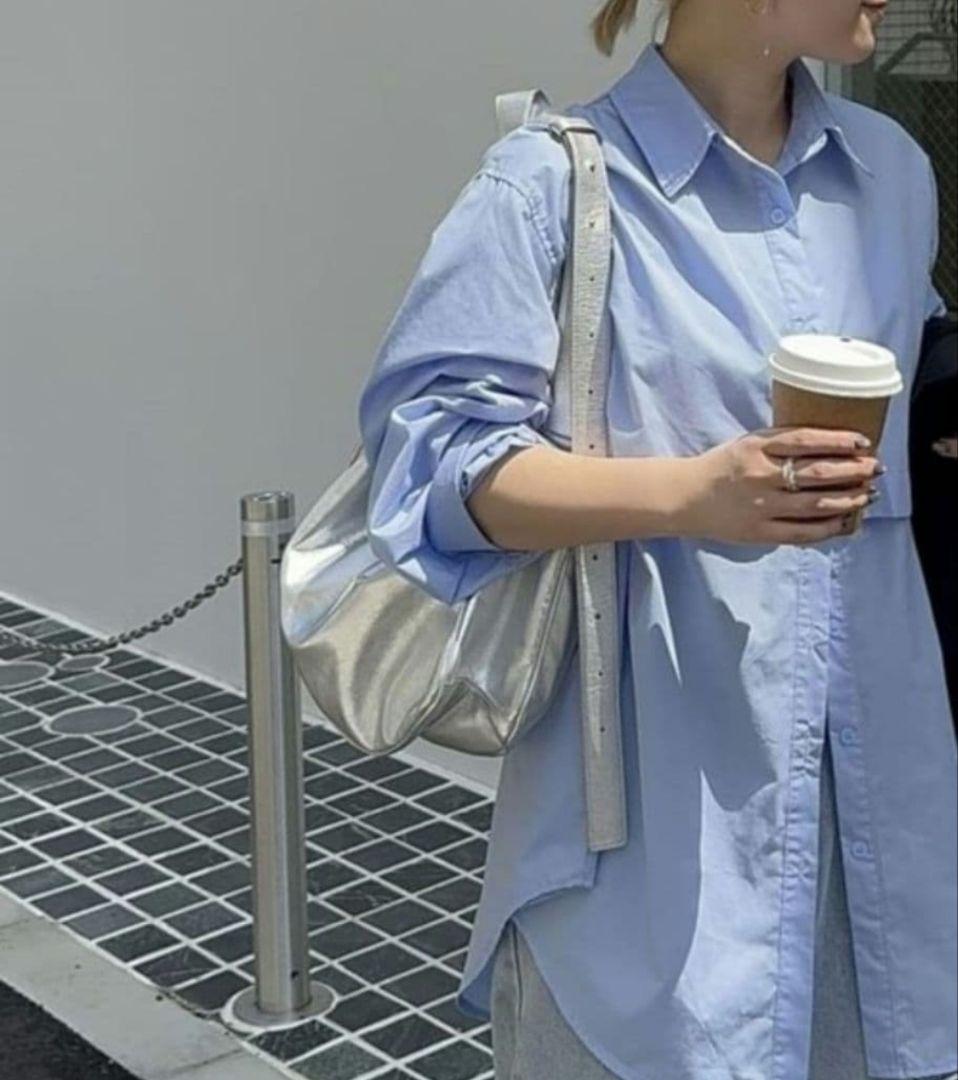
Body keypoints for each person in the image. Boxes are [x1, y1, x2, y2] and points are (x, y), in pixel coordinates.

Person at [356, 0, 958, 1077]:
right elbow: (432, 467)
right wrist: (690, 494)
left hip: (886, 807)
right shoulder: (551, 183)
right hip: (660, 824)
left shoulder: (891, 172)